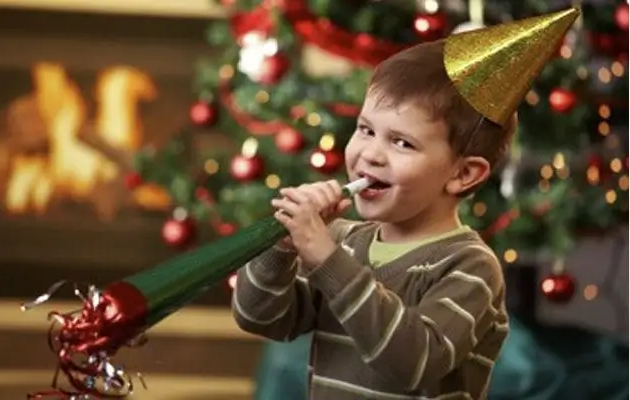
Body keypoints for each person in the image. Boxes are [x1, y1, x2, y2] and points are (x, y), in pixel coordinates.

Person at [231, 7, 580, 400]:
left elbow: (413, 364)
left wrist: (328, 260)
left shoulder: (470, 268)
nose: (371, 155)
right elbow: (260, 318)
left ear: (463, 174)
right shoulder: (345, 241)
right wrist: (280, 248)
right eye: (365, 130)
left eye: (402, 142)